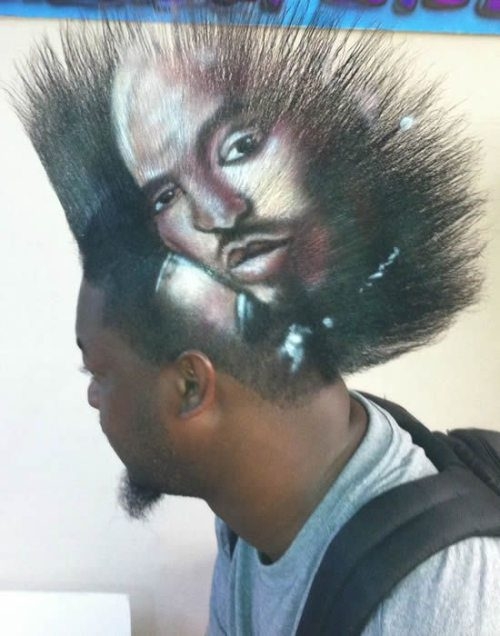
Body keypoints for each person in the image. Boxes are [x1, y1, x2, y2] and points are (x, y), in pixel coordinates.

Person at [13, 13, 500, 635]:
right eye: (166, 195)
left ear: (191, 387)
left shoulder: (435, 600)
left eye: (240, 147)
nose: (219, 212)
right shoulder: (258, 506)